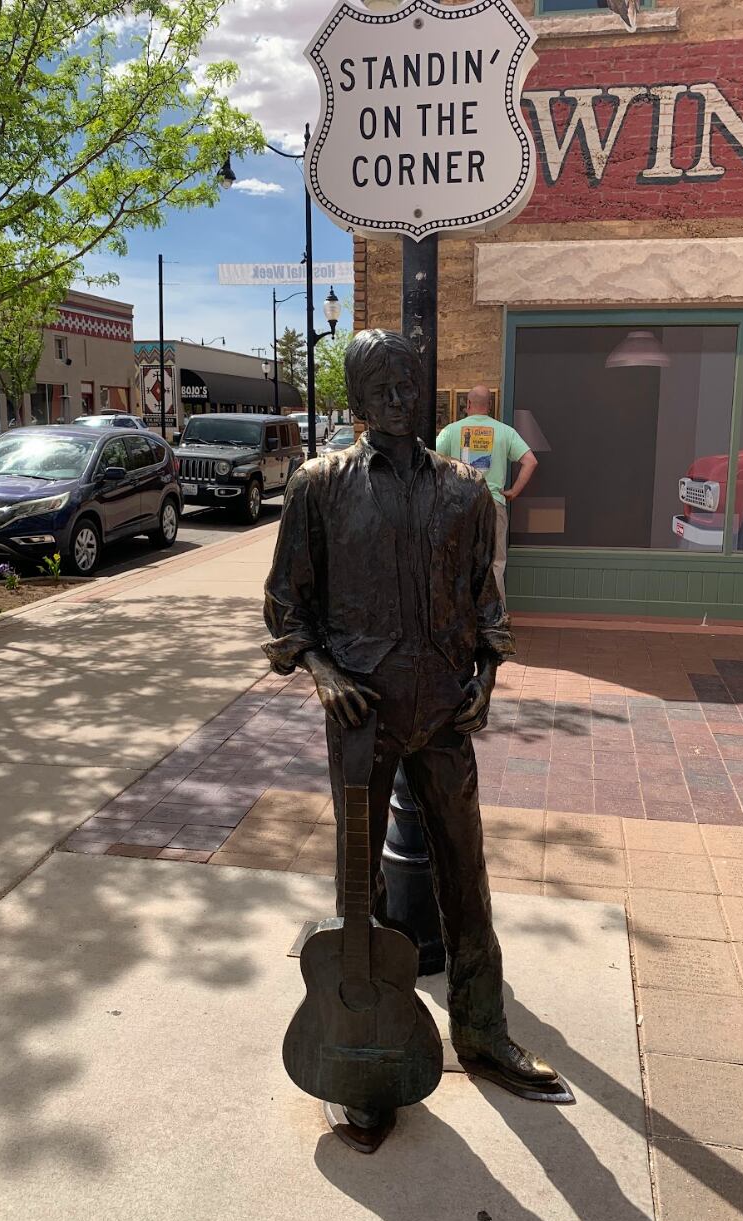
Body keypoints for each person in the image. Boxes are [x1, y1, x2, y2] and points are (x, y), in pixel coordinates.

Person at [264, 329, 571, 1143]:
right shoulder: (318, 487)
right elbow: (285, 608)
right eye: (379, 383)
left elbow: (486, 603)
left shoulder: (467, 492)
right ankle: (361, 1056)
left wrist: (488, 677)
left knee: (466, 875)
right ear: (357, 399)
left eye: (408, 379)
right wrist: (325, 675)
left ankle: (483, 1033)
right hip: (361, 714)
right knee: (356, 891)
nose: (398, 394)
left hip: (442, 709)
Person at [436, 386, 538, 605]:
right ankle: (496, 623)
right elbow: (530, 461)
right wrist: (513, 491)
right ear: (489, 406)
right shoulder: (505, 432)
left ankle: (460, 618)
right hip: (493, 503)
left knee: (459, 562)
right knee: (495, 564)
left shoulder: (451, 431)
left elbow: (430, 459)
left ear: (468, 405)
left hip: (459, 505)